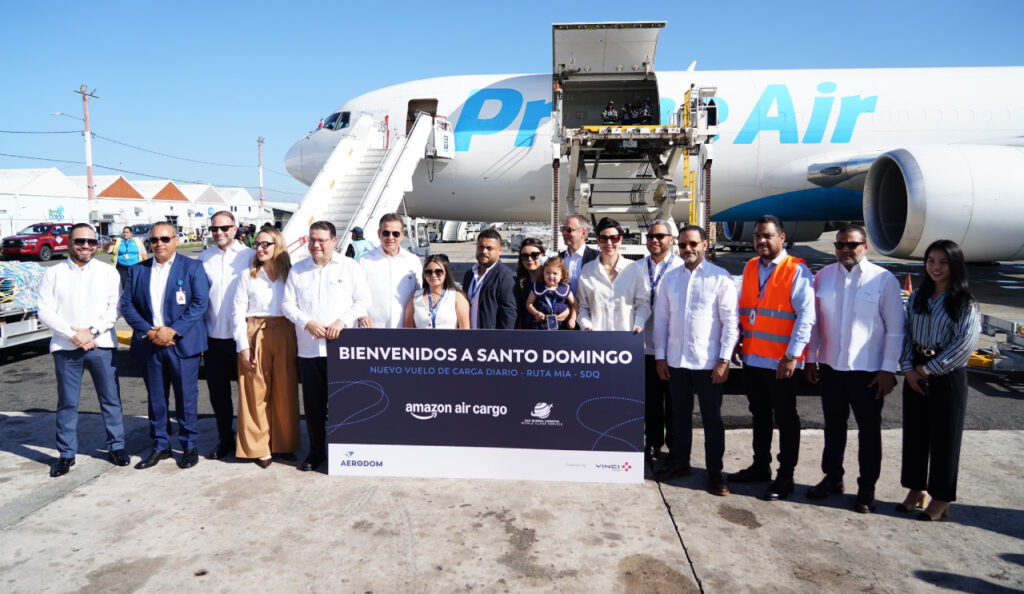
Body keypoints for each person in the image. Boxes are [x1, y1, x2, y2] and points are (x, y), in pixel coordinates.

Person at [803, 224, 905, 513]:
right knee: (833, 428)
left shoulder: (883, 280)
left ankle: (867, 488)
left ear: (865, 246)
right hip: (832, 368)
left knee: (868, 431)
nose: (845, 250)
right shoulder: (823, 277)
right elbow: (815, 326)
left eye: (852, 245)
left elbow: (896, 330)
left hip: (869, 372)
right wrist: (811, 359)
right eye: (840, 245)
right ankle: (833, 478)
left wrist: (888, 370)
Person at [731, 215, 815, 501]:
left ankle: (786, 475)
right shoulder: (751, 266)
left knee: (786, 418)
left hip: (782, 362)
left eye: (767, 235)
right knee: (759, 416)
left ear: (782, 238)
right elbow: (746, 308)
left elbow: (806, 317)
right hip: (753, 358)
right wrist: (739, 341)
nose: (761, 241)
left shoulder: (797, 269)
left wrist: (793, 355)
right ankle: (760, 465)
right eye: (757, 236)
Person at [897, 239, 980, 521]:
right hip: (916, 371)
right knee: (916, 434)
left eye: (943, 262)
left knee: (945, 438)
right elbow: (906, 334)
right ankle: (916, 488)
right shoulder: (918, 297)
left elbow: (965, 345)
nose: (936, 267)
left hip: (946, 374)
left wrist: (927, 369)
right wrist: (908, 368)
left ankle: (941, 496)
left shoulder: (965, 303)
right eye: (931, 261)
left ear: (954, 265)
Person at [37, 223, 128, 477]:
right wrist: (72, 334)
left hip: (101, 344)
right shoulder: (53, 273)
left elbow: (115, 307)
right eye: (80, 241)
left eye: (90, 242)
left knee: (110, 398)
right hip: (66, 347)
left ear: (96, 245)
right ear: (69, 243)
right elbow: (44, 310)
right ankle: (66, 453)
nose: (85, 246)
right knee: (67, 401)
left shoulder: (108, 272)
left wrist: (92, 331)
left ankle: (116, 446)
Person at [653, 225, 738, 494]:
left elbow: (731, 323)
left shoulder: (720, 278)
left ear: (704, 244)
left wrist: (725, 360)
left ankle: (715, 472)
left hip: (708, 364)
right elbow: (662, 322)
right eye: (682, 245)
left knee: (712, 419)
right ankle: (680, 462)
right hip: (677, 362)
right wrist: (661, 357)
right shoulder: (670, 279)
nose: (687, 249)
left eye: (692, 244)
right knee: (679, 417)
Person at [120, 221, 210, 470]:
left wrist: (173, 330)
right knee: (157, 399)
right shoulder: (138, 270)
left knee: (186, 398)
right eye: (154, 240)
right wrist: (150, 331)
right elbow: (127, 305)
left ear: (175, 240)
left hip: (182, 345)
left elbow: (200, 304)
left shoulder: (192, 267)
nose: (159, 244)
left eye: (164, 239)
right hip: (151, 344)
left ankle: (189, 444)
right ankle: (160, 445)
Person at [282, 221, 370, 472]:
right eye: (312, 240)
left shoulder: (350, 267)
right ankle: (317, 450)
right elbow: (287, 305)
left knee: (346, 403)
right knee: (313, 406)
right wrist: (306, 322)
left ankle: (348, 453)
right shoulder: (298, 270)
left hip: (341, 349)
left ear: (334, 241)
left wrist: (342, 321)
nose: (316, 245)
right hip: (309, 349)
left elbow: (363, 300)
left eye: (321, 240)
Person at [232, 228, 300, 468]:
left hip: (285, 332)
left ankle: (284, 443)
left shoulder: (290, 275)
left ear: (277, 246)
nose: (259, 248)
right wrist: (242, 346)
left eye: (265, 244)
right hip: (255, 332)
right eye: (257, 244)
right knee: (254, 392)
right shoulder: (246, 276)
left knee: (285, 390)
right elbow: (238, 312)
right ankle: (258, 447)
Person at [198, 211, 254, 460]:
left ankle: (250, 439)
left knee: (249, 392)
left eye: (224, 228)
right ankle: (225, 437)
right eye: (214, 229)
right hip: (212, 338)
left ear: (235, 229)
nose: (219, 233)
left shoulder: (249, 256)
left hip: (242, 338)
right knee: (218, 394)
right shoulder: (204, 257)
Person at [637, 220, 683, 469]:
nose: (655, 240)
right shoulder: (637, 268)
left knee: (674, 401)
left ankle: (675, 447)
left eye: (660, 236)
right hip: (646, 345)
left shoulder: (680, 267)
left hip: (673, 346)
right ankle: (653, 441)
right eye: (651, 236)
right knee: (651, 399)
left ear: (671, 239)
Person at [576, 217, 650, 334]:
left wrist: (638, 324)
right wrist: (586, 326)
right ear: (598, 241)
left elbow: (643, 304)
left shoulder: (634, 269)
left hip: (627, 338)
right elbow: (582, 307)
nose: (609, 243)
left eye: (614, 238)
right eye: (603, 238)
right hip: (596, 340)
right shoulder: (587, 270)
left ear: (621, 240)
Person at [359, 214, 421, 329]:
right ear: (379, 234)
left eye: (395, 234)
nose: (390, 237)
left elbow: (420, 294)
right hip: (373, 330)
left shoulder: (413, 261)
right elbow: (356, 293)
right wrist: (362, 316)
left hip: (406, 330)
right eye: (386, 233)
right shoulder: (364, 261)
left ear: (402, 235)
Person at [461, 228, 517, 329]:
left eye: (489, 248)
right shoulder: (469, 275)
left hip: (490, 341)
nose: (484, 251)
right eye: (480, 247)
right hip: (468, 339)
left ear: (500, 250)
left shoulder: (506, 277)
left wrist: (503, 342)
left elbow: (508, 315)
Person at [403, 255, 471, 329]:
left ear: (446, 273)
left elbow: (465, 331)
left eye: (438, 271)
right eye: (429, 272)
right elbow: (408, 332)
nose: (433, 275)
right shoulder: (415, 299)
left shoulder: (457, 297)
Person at [524, 255, 576, 330]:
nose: (551, 276)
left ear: (562, 275)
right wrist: (536, 313)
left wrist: (572, 318)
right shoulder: (537, 287)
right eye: (548, 273)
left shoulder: (565, 288)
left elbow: (574, 304)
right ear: (543, 273)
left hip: (561, 327)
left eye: (555, 273)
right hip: (540, 326)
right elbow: (529, 303)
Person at [559, 214, 599, 302]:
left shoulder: (598, 258)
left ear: (583, 233)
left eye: (568, 230)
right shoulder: (557, 259)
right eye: (563, 229)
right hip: (562, 313)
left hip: (589, 312)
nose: (564, 233)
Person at [514, 238, 545, 328]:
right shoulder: (515, 281)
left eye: (534, 255)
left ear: (543, 255)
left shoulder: (553, 279)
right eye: (525, 256)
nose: (529, 259)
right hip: (526, 332)